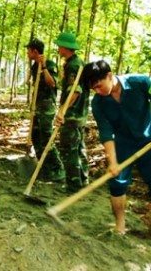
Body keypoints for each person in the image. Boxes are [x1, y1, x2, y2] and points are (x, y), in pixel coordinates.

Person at [81, 60, 151, 243]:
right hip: (123, 144)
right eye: (94, 89)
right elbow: (106, 132)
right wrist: (112, 161)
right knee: (117, 183)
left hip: (150, 140)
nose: (98, 91)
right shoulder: (98, 103)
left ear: (109, 76)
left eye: (99, 86)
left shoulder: (140, 82)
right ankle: (120, 223)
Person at [54, 32, 90, 193]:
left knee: (69, 149)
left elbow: (74, 91)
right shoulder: (77, 63)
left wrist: (62, 111)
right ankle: (83, 180)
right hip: (80, 114)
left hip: (73, 114)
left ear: (64, 47)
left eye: (59, 45)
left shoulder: (73, 66)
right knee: (79, 147)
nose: (58, 48)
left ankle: (74, 185)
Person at [26, 38, 65, 182]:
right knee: (36, 136)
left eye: (28, 50)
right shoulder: (34, 66)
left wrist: (43, 67)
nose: (27, 53)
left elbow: (52, 84)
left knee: (47, 138)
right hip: (37, 106)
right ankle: (44, 168)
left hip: (47, 108)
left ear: (35, 51)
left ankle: (58, 169)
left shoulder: (49, 65)